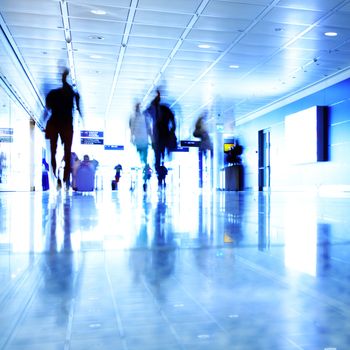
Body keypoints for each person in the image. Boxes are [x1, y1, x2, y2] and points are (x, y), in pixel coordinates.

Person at [44, 68, 82, 190]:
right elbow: (78, 108)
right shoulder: (71, 94)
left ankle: (58, 179)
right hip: (66, 125)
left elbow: (47, 111)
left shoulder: (53, 95)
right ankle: (64, 180)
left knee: (53, 152)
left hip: (55, 124)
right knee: (66, 152)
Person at [146, 90, 176, 176]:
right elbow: (173, 120)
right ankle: (161, 168)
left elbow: (149, 108)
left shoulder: (157, 111)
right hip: (163, 137)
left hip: (159, 138)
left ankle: (160, 169)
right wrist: (173, 129)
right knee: (160, 154)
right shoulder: (165, 109)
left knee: (158, 156)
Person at [129, 102, 151, 167]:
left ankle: (144, 162)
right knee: (142, 151)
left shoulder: (142, 117)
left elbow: (148, 128)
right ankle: (144, 162)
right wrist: (131, 138)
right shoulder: (133, 118)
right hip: (141, 139)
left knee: (142, 151)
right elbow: (132, 129)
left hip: (141, 139)